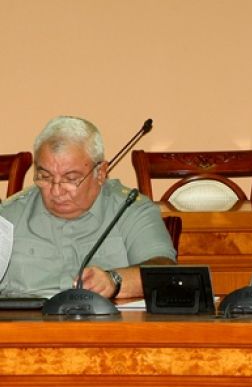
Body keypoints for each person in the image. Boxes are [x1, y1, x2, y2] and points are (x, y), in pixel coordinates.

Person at [0, 116, 176, 299]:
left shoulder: (130, 209)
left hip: (106, 317)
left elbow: (165, 271)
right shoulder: (8, 216)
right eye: (45, 177)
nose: (56, 191)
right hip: (28, 317)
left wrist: (115, 281)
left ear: (101, 173)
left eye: (71, 179)